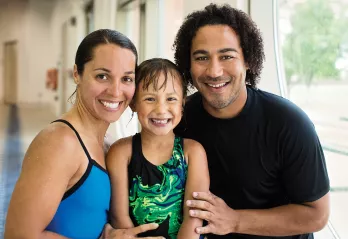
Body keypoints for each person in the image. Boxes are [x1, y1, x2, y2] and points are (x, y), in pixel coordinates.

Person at [172, 4, 330, 239]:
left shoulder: (289, 123)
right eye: (202, 57)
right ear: (188, 64)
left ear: (247, 60)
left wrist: (235, 221)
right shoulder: (177, 118)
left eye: (227, 56)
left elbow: (317, 215)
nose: (214, 71)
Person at [5, 29, 163, 239]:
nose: (116, 91)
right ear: (77, 74)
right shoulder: (59, 142)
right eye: (102, 76)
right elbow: (18, 235)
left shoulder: (108, 144)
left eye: (126, 79)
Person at [106, 58, 210, 239]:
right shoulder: (121, 153)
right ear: (134, 103)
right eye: (150, 99)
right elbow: (119, 217)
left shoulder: (192, 152)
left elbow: (193, 218)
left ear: (182, 103)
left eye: (171, 99)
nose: (161, 109)